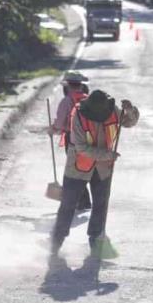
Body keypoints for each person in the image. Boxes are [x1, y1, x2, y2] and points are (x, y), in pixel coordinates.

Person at [50, 88, 139, 258]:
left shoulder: (111, 109)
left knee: (101, 204)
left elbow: (129, 122)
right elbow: (81, 147)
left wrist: (130, 110)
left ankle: (96, 240)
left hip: (103, 168)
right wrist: (108, 155)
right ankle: (56, 242)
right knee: (68, 205)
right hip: (78, 166)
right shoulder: (78, 114)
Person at [50, 72, 92, 212]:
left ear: (67, 87)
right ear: (81, 86)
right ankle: (85, 201)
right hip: (90, 140)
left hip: (72, 140)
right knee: (85, 168)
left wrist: (53, 129)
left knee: (74, 170)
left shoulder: (67, 101)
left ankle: (82, 201)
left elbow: (60, 123)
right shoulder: (89, 100)